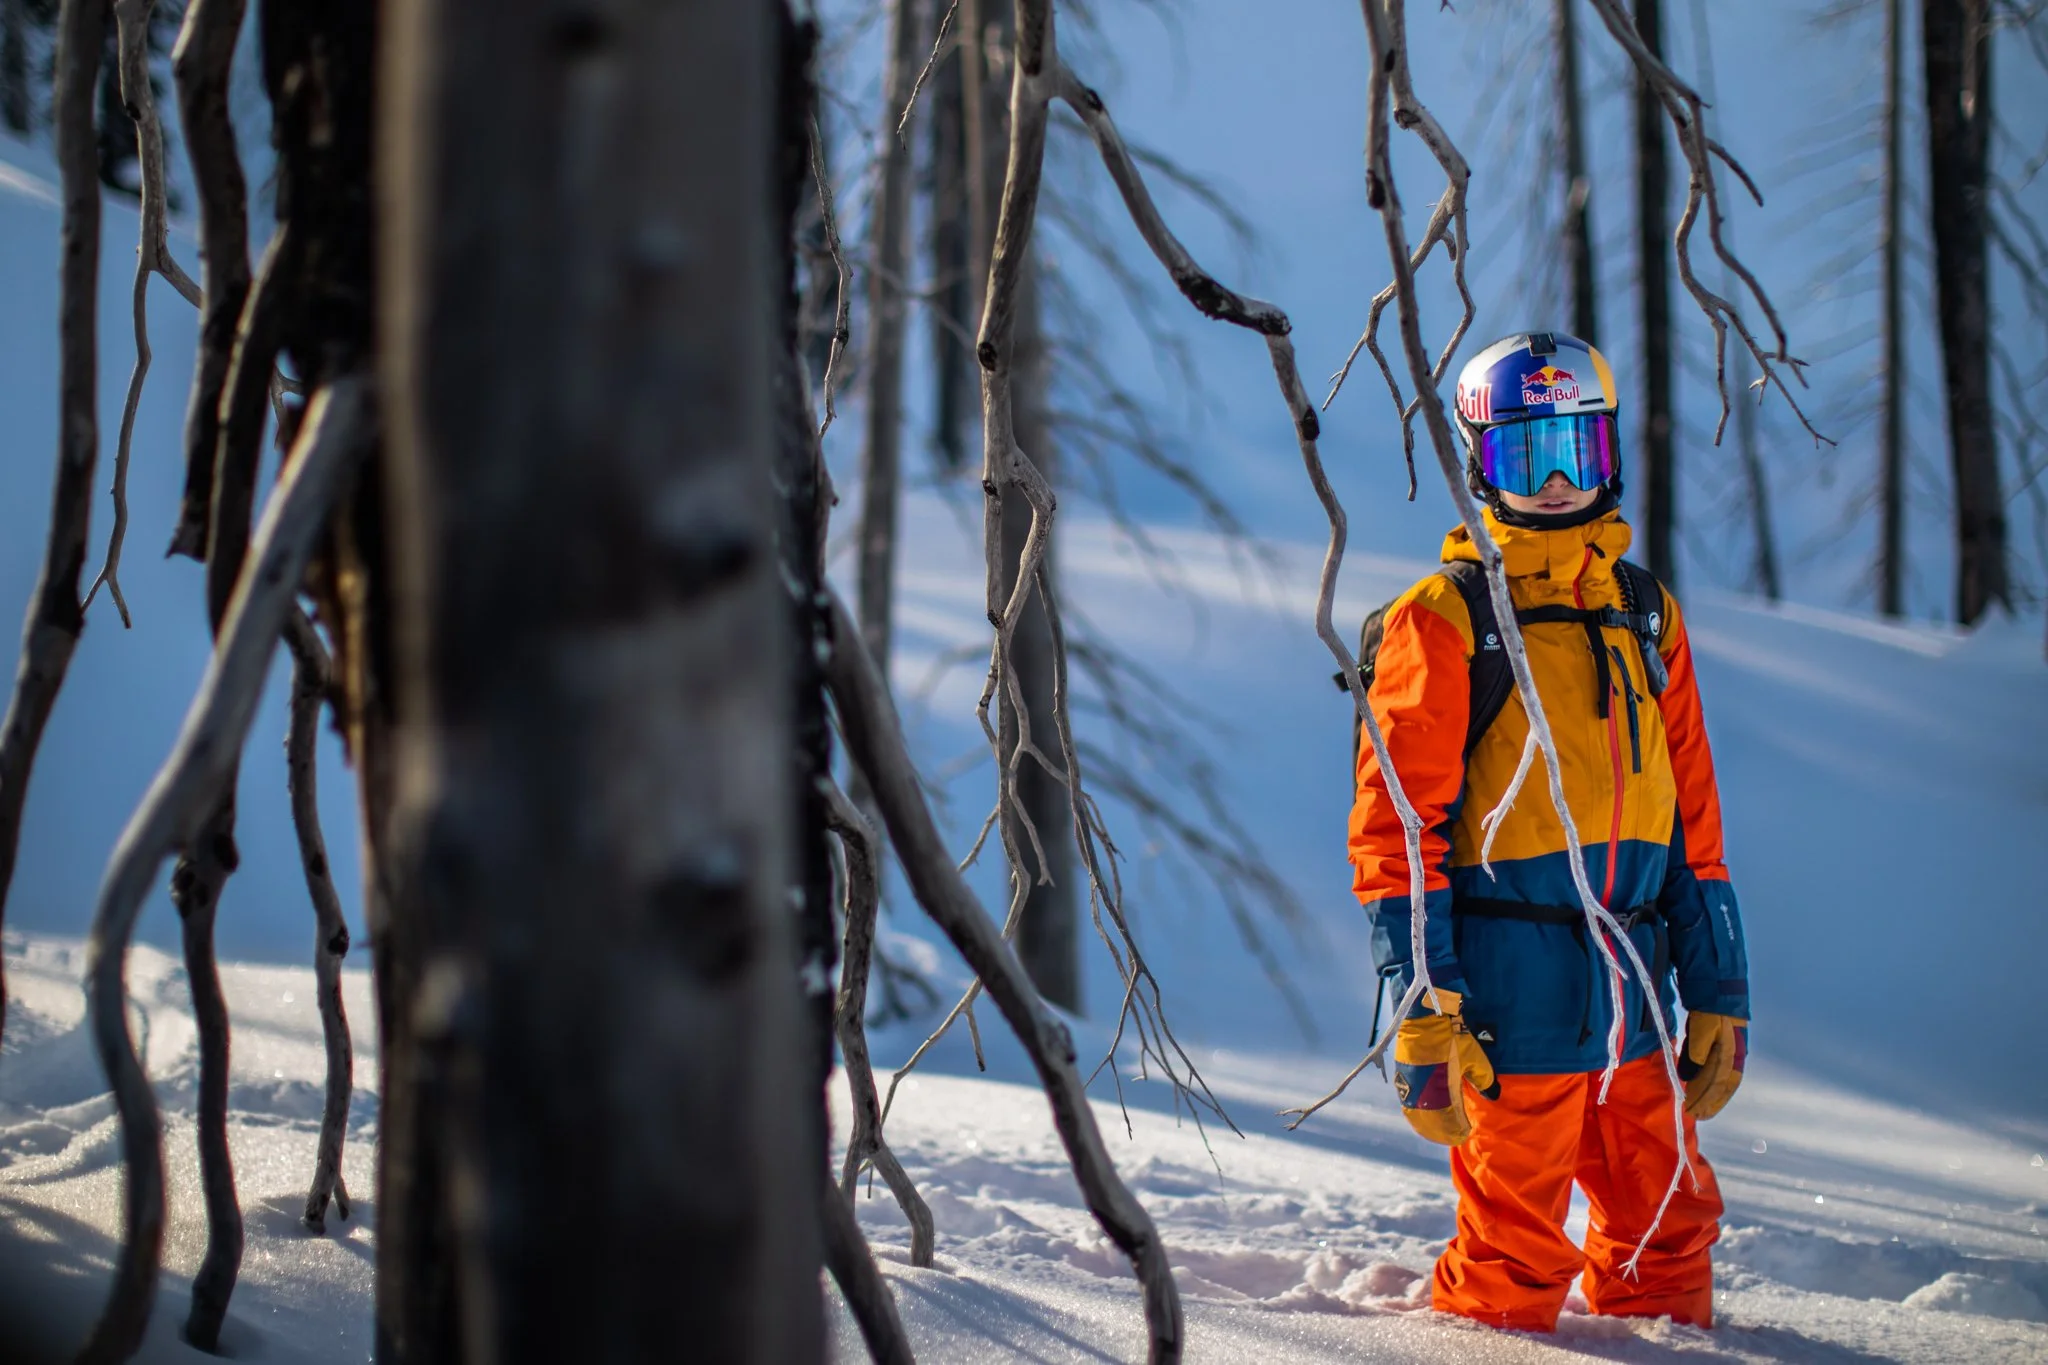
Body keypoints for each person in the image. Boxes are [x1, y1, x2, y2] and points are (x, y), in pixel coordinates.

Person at [1346, 331, 1750, 1332]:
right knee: (1515, 1242)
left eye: (1579, 448)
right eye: (1530, 455)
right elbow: (1396, 830)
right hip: (1507, 990)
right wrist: (1421, 997)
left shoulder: (1642, 612)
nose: (1561, 480)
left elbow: (1692, 819)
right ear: (1481, 463)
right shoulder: (1444, 618)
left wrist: (1718, 990)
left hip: (1637, 985)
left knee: (1669, 1222)